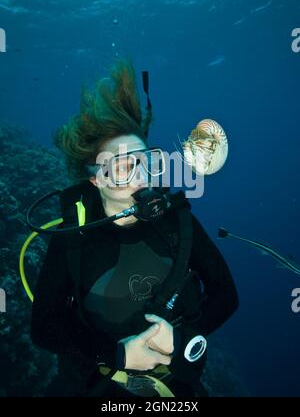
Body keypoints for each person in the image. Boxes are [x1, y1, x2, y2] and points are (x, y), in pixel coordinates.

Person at [30, 60, 239, 397]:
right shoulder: (75, 237)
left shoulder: (178, 223)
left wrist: (183, 339)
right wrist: (117, 354)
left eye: (144, 162)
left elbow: (226, 295)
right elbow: (43, 326)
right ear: (97, 179)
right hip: (92, 385)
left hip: (173, 388)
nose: (139, 178)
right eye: (122, 168)